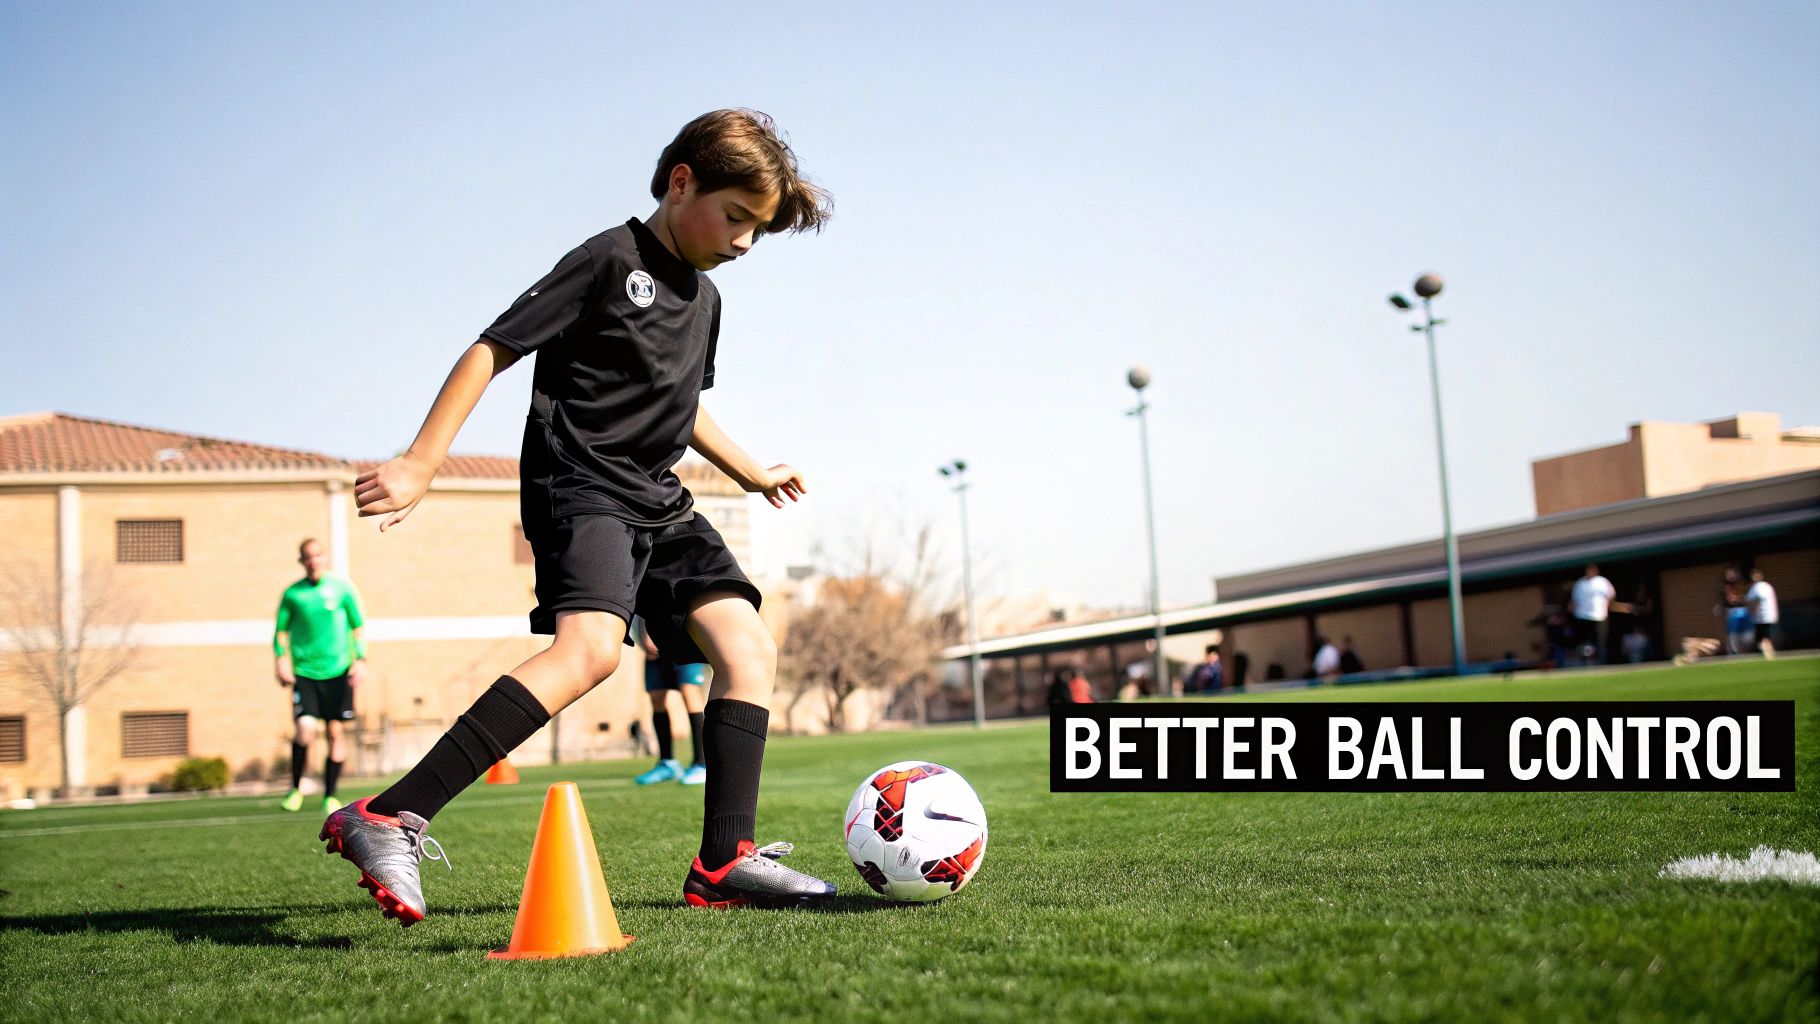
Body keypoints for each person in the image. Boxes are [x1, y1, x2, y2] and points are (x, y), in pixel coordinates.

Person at [320, 109, 836, 925]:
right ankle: (388, 815)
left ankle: (724, 860)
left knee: (748, 646)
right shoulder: (607, 259)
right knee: (590, 652)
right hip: (581, 484)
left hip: (659, 496)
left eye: (758, 232)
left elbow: (682, 404)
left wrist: (751, 471)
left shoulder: (705, 301)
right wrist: (422, 460)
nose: (743, 243)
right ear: (681, 182)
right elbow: (492, 348)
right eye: (737, 217)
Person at [274, 539, 366, 814]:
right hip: (305, 672)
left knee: (336, 732)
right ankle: (295, 788)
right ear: (301, 561)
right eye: (307, 557)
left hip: (338, 672)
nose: (313, 560)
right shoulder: (293, 594)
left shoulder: (342, 589)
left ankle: (330, 795)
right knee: (305, 729)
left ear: (324, 558)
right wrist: (281, 660)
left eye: (317, 555)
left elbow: (358, 626)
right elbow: (280, 631)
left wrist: (359, 660)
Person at [633, 617, 708, 785]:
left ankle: (701, 764)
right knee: (656, 697)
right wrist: (645, 635)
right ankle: (667, 763)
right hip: (656, 646)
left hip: (687, 642)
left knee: (690, 693)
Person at [1569, 563, 1617, 664]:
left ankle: (1602, 661)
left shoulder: (1602, 582)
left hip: (1599, 616)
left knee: (1600, 640)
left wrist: (1607, 605)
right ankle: (1586, 662)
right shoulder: (1580, 584)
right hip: (1582, 616)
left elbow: (1611, 595)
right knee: (1585, 641)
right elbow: (1574, 600)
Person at [1746, 568, 1780, 659]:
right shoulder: (1767, 586)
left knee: (1762, 638)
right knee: (1765, 637)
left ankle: (1768, 654)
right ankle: (1769, 653)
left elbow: (1752, 601)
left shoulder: (1757, 587)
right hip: (1768, 617)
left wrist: (1750, 610)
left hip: (1762, 617)